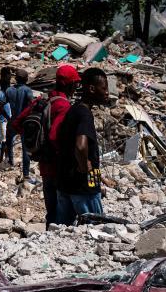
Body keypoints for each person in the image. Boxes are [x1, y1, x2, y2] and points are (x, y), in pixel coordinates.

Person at [12, 65, 78, 225]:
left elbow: (17, 123)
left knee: (50, 206)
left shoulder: (41, 100)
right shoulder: (63, 106)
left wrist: (37, 143)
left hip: (44, 163)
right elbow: (55, 137)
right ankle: (59, 237)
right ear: (70, 84)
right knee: (63, 209)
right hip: (58, 165)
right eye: (76, 83)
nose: (77, 87)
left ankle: (50, 230)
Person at [56, 67, 109, 225]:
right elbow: (80, 146)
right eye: (104, 88)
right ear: (92, 89)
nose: (107, 92)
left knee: (63, 230)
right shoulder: (85, 113)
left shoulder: (73, 110)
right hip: (84, 185)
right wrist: (84, 165)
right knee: (95, 228)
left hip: (65, 181)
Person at [4, 69, 34, 176]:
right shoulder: (27, 90)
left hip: (13, 120)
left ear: (16, 79)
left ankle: (10, 161)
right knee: (25, 148)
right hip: (24, 122)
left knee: (9, 142)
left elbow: (1, 105)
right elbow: (32, 104)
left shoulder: (9, 90)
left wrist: (8, 117)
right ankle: (25, 173)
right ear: (26, 79)